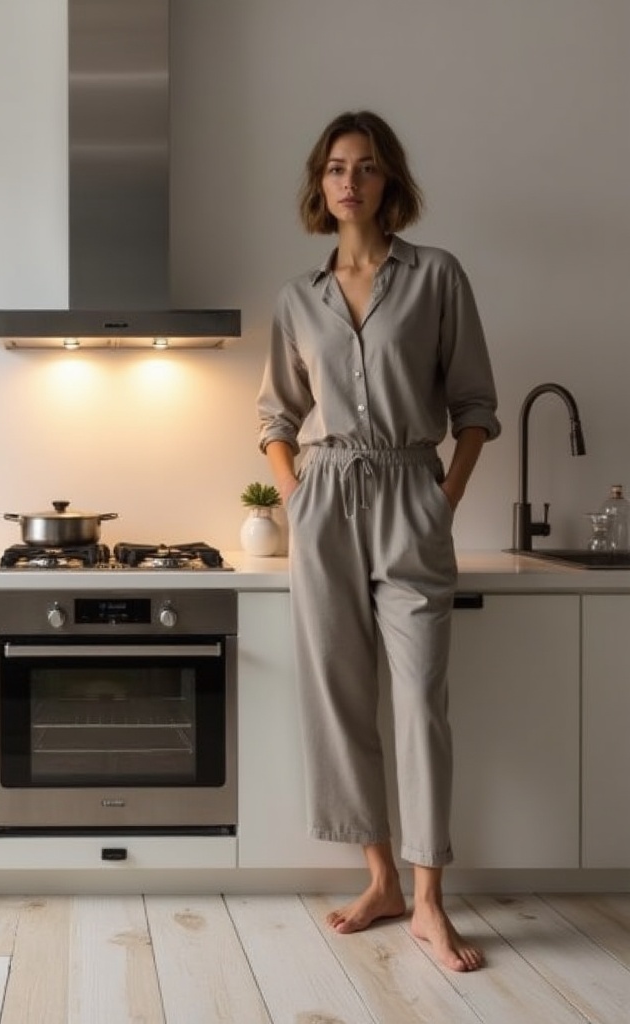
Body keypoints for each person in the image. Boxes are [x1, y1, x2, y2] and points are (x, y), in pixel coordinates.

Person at [256, 110, 500, 972]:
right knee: (338, 698)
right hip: (324, 501)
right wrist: (292, 489)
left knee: (419, 702)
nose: (348, 181)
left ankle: (430, 900)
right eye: (333, 168)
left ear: (389, 179)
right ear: (319, 185)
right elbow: (275, 414)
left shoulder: (437, 278)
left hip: (407, 493)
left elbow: (474, 406)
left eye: (363, 167)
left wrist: (442, 497)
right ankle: (380, 878)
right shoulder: (298, 297)